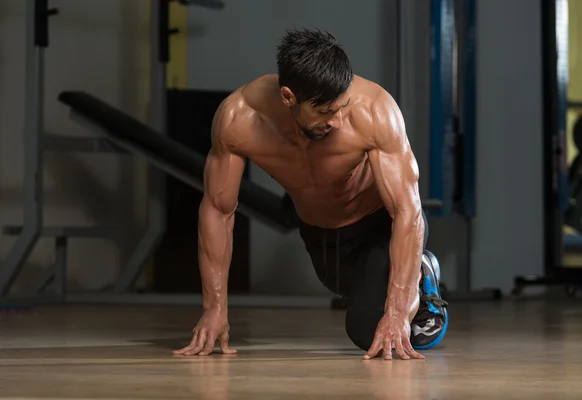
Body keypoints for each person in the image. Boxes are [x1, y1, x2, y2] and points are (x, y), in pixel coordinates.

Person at [173, 28, 448, 361]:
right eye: (324, 112)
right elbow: (217, 210)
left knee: (369, 333)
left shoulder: (374, 111)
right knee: (342, 287)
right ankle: (387, 284)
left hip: (380, 226)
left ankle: (421, 275)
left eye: (341, 107)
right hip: (319, 233)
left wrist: (397, 310)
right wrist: (214, 308)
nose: (336, 120)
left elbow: (407, 210)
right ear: (288, 97)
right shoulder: (239, 119)